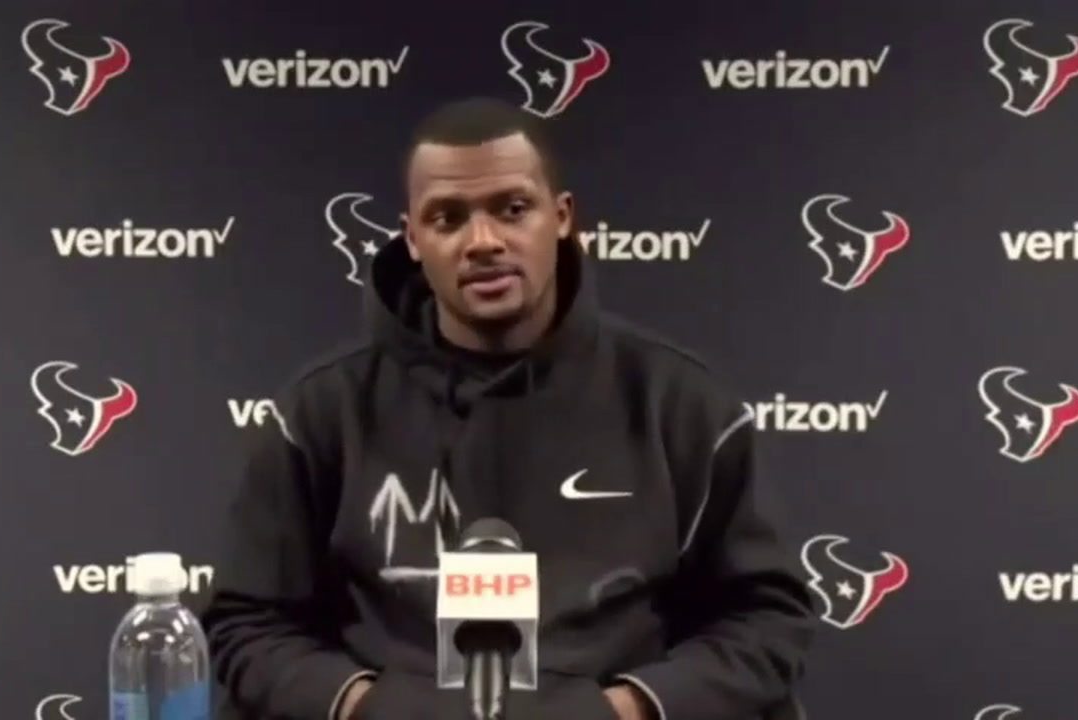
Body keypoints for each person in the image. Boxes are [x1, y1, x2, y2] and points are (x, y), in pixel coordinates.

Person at [200, 96, 818, 720]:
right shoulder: (322, 413)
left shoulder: (680, 405)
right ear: (412, 239)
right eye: (448, 218)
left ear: (562, 217)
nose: (483, 241)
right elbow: (248, 622)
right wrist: (373, 707)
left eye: (513, 209)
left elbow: (766, 619)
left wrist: (620, 711)